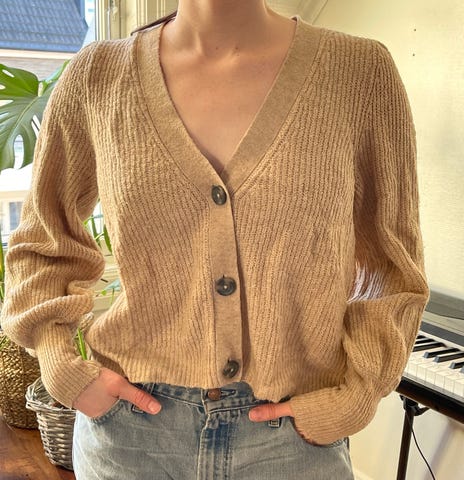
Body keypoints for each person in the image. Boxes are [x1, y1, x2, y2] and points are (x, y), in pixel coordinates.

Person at [0, 0, 430, 478]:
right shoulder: (97, 77)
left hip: (293, 444)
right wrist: (61, 363)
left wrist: (356, 396)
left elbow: (393, 263)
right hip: (129, 439)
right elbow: (44, 240)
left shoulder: (359, 73)